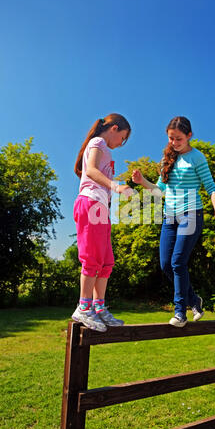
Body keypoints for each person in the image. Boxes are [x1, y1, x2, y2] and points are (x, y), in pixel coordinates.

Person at [132, 116, 215, 327]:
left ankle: (180, 313)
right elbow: (160, 191)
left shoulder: (197, 158)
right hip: (170, 216)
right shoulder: (167, 159)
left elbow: (211, 188)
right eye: (170, 139)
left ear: (189, 136)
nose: (174, 143)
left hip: (191, 214)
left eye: (178, 139)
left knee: (178, 262)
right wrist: (142, 182)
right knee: (166, 264)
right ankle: (194, 300)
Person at [72, 113, 133, 331]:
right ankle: (83, 308)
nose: (121, 144)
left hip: (101, 210)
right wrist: (116, 186)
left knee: (106, 262)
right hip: (89, 204)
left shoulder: (106, 149)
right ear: (114, 128)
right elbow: (90, 170)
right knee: (91, 259)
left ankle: (99, 307)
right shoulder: (97, 142)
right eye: (123, 138)